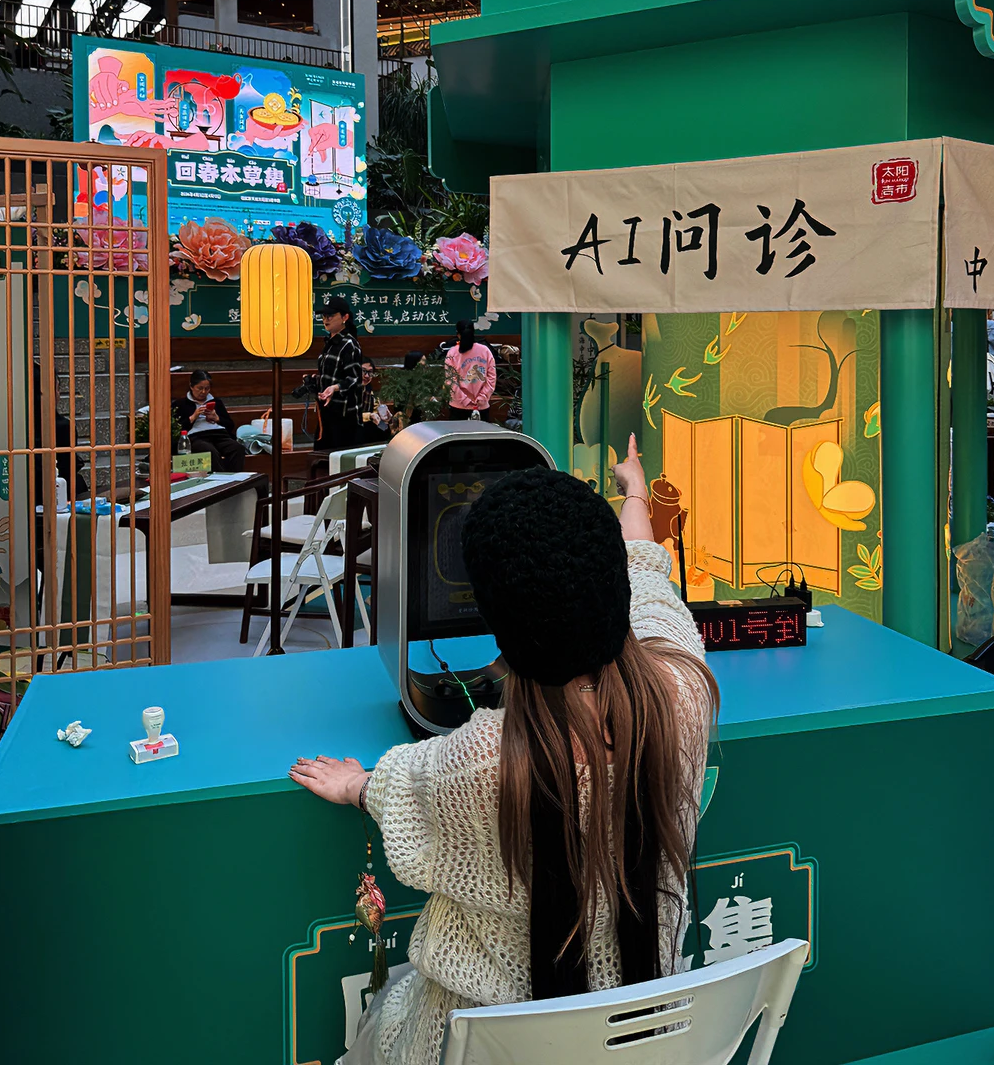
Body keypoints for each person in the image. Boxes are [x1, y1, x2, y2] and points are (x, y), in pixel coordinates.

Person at [290, 435, 717, 1065]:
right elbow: (647, 572)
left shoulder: (480, 762)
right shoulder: (682, 693)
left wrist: (354, 783)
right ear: (613, 592)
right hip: (643, 1041)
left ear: (499, 622)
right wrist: (633, 490)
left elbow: (395, 786)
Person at [312, 298, 363, 452]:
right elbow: (331, 374)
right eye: (324, 316)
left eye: (330, 316)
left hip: (344, 414)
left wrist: (335, 388)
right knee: (322, 456)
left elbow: (354, 379)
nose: (325, 320)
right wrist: (315, 379)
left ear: (344, 317)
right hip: (327, 410)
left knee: (339, 458)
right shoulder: (330, 342)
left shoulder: (349, 344)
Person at [171, 370, 246, 472]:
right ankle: (221, 479)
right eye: (200, 388)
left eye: (207, 389)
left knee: (237, 448)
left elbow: (230, 425)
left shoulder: (216, 402)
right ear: (191, 386)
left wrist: (217, 418)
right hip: (196, 437)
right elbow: (176, 429)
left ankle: (235, 478)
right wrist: (193, 417)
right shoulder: (180, 404)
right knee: (209, 451)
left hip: (219, 435)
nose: (203, 392)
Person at [444, 319, 497, 421]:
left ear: (458, 334)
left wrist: (465, 400)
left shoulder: (452, 353)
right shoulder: (485, 350)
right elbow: (492, 377)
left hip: (458, 406)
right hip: (481, 406)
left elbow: (450, 381)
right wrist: (482, 397)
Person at [359, 357, 393, 444]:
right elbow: (349, 415)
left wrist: (386, 419)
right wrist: (369, 416)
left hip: (367, 423)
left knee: (385, 429)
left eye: (370, 372)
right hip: (350, 426)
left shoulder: (369, 389)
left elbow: (376, 408)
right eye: (363, 371)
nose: (367, 376)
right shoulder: (346, 389)